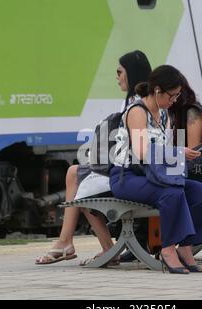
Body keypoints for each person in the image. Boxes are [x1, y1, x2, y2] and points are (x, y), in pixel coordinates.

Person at [35, 50, 152, 265]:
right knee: (79, 177)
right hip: (133, 169)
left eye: (119, 71)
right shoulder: (137, 101)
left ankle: (73, 244)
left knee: (80, 180)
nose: (116, 76)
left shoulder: (137, 104)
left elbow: (136, 147)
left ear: (131, 73)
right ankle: (77, 244)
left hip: (133, 173)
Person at [109, 65, 202, 274]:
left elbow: (166, 149)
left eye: (177, 95)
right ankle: (167, 248)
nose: (175, 100)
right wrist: (179, 152)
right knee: (172, 193)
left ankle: (185, 247)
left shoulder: (163, 115)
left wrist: (181, 154)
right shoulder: (137, 111)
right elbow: (142, 152)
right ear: (158, 90)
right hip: (127, 177)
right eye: (172, 95)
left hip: (155, 174)